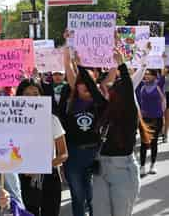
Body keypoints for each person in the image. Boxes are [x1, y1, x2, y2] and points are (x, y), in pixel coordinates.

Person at [92, 49, 147, 216]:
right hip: (102, 169)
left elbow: (130, 87)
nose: (109, 93)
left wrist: (122, 64)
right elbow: (91, 87)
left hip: (123, 170)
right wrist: (77, 63)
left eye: (114, 91)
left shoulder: (130, 113)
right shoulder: (105, 109)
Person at [63, 50, 108, 216]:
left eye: (89, 85)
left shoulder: (99, 103)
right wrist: (68, 45)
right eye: (82, 84)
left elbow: (107, 78)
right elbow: (68, 67)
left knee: (93, 196)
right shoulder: (71, 101)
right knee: (78, 196)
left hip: (94, 154)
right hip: (73, 155)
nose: (86, 88)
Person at [16, 79, 68, 216]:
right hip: (24, 179)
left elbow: (63, 154)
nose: (32, 97)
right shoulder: (13, 122)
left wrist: (42, 166)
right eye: (27, 94)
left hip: (50, 179)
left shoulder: (52, 119)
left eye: (35, 93)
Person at [136, 69, 165, 175]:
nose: (146, 76)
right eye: (145, 74)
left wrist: (164, 59)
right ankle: (142, 166)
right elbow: (136, 76)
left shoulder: (159, 84)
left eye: (149, 74)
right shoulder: (141, 85)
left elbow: (164, 69)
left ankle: (152, 165)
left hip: (157, 118)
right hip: (144, 119)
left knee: (153, 142)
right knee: (144, 143)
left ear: (154, 76)